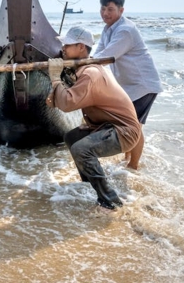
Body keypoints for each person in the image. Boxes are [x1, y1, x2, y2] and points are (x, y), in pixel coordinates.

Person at [47, 27, 143, 211]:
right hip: (107, 126)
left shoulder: (90, 74)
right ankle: (89, 183)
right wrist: (59, 80)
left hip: (124, 132)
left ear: (81, 47)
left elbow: (66, 104)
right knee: (71, 137)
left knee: (81, 149)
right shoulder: (86, 69)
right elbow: (57, 102)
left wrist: (54, 79)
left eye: (67, 45)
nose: (63, 49)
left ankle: (110, 201)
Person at [93, 0, 163, 170]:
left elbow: (106, 57)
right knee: (128, 125)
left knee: (134, 127)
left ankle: (133, 166)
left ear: (121, 10)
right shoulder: (107, 29)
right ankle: (126, 159)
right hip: (128, 86)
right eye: (102, 9)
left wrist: (81, 66)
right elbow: (97, 54)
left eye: (110, 9)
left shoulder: (125, 30)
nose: (105, 13)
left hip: (143, 85)